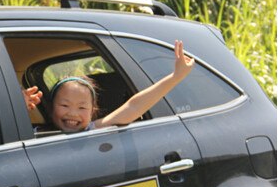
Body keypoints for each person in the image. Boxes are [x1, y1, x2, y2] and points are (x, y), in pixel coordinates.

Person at [23, 40, 195, 133]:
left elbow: (133, 106)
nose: (73, 113)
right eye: (65, 105)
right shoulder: (33, 133)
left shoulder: (92, 130)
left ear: (92, 112)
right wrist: (18, 104)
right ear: (51, 107)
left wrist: (175, 77)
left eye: (82, 107)